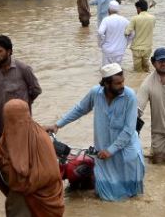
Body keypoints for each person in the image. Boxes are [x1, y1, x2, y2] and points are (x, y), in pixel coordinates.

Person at [46, 63, 146, 201]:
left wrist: (110, 150)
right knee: (105, 195)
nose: (122, 86)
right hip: (103, 151)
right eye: (118, 83)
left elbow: (129, 130)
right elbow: (79, 109)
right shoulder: (95, 93)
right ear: (106, 84)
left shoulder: (130, 96)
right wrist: (58, 124)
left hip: (125, 152)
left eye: (123, 81)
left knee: (131, 195)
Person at [0, 99, 64, 217]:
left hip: (45, 201)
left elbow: (51, 174)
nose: (13, 125)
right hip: (18, 202)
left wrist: (23, 183)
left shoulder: (41, 139)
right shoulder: (5, 139)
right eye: (9, 120)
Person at [0, 34, 42, 183]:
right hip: (1, 123)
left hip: (21, 125)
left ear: (9, 51)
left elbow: (36, 89)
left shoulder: (23, 69)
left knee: (24, 160)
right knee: (0, 160)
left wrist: (24, 105)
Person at [124, 0, 155, 72]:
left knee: (137, 71)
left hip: (136, 48)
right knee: (146, 68)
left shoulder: (135, 18)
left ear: (139, 8)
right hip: (147, 47)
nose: (136, 11)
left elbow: (127, 32)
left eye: (136, 9)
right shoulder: (153, 18)